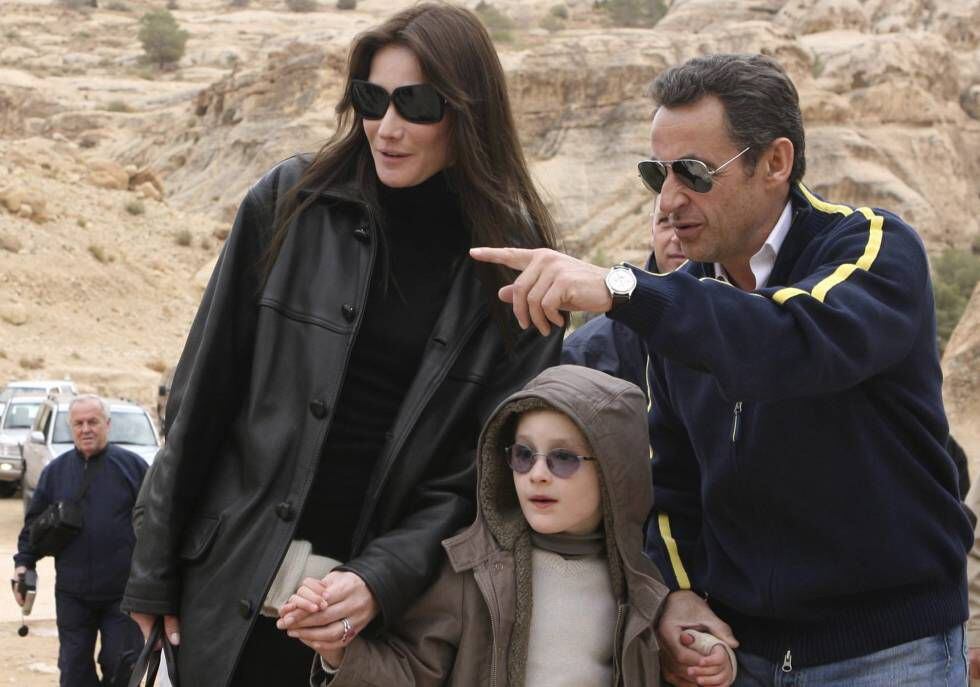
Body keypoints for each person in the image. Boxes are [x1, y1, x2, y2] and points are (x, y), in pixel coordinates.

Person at [470, 53, 971, 685]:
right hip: (740, 657)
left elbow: (788, 340)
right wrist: (677, 592)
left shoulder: (872, 247)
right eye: (659, 174)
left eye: (696, 173)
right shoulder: (682, 302)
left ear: (776, 162)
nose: (671, 197)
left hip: (888, 653)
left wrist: (626, 288)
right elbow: (673, 478)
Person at [121, 3, 562, 685]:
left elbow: (482, 474)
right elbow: (201, 396)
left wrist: (380, 578)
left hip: (387, 623)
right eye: (370, 99)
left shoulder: (520, 270)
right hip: (231, 587)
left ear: (467, 111)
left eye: (415, 104)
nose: (387, 127)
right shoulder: (289, 201)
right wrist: (151, 574)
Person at [281, 365, 701, 686]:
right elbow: (413, 672)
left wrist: (713, 659)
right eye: (523, 455)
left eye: (563, 458)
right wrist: (341, 654)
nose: (537, 474)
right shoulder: (475, 569)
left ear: (615, 471)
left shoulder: (642, 583)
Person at [13, 394, 147, 687]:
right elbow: (33, 526)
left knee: (122, 666)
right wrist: (23, 566)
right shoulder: (55, 473)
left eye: (93, 422)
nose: (86, 429)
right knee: (73, 672)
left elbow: (157, 527)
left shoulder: (134, 469)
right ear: (71, 428)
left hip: (122, 594)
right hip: (72, 594)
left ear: (107, 425)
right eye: (78, 423)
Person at [561, 194, 685, 392]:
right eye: (664, 222)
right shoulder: (587, 353)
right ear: (651, 231)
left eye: (686, 222)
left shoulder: (744, 323)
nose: (676, 237)